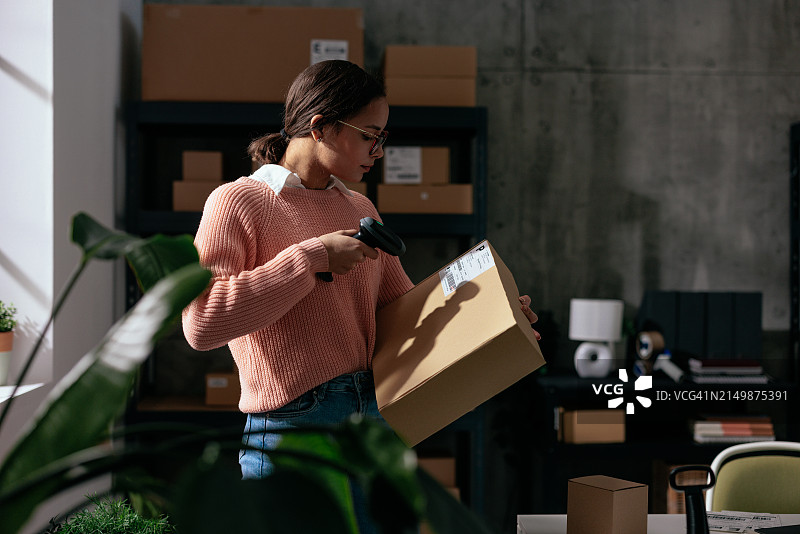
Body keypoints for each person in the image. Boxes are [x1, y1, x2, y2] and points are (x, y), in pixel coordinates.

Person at [181, 60, 540, 532]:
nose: (380, 150)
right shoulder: (237, 203)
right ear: (321, 127)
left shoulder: (359, 207)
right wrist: (310, 259)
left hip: (374, 419)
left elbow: (405, 309)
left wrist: (495, 313)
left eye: (383, 136)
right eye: (370, 135)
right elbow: (203, 324)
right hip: (293, 427)